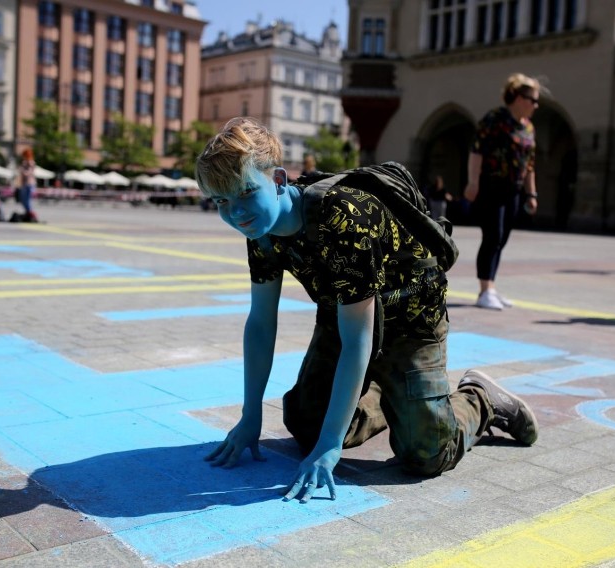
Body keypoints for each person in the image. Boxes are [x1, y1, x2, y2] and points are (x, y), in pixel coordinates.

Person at [195, 117, 539, 503]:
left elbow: (359, 339)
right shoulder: (261, 229)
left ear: (277, 179)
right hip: (343, 314)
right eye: (221, 201)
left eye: (244, 192)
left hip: (411, 320)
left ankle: (480, 398)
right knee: (305, 425)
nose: (236, 212)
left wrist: (331, 446)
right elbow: (260, 324)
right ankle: (386, 392)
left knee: (424, 454)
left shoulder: (343, 217)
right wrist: (250, 414)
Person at [464, 73, 541, 310]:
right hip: (491, 185)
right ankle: (484, 290)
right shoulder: (495, 119)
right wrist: (473, 182)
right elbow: (477, 151)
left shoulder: (528, 127)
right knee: (493, 235)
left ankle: (492, 288)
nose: (536, 105)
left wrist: (532, 194)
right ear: (518, 97)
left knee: (503, 238)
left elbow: (529, 164)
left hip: (514, 189)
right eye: (533, 100)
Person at [17, 148, 38, 221]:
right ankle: (28, 213)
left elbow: (30, 172)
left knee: (27, 200)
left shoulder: (30, 162)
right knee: (23, 200)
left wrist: (23, 171)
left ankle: (31, 214)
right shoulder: (25, 162)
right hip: (24, 184)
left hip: (29, 183)